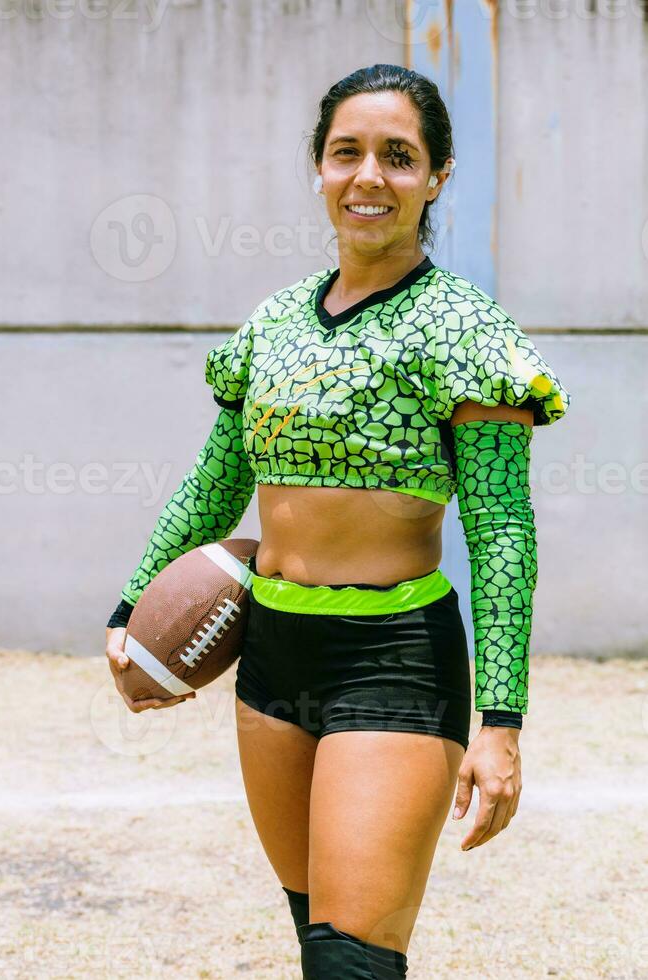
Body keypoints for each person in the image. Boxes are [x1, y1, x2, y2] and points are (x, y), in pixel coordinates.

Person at [106, 64, 570, 979]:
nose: (369, 177)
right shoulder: (273, 325)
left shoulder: (466, 333)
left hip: (394, 658)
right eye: (345, 152)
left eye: (398, 157)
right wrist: (130, 610)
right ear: (318, 169)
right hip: (272, 653)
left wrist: (502, 721)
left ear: (436, 177)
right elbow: (212, 487)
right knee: (316, 933)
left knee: (352, 962)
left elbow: (503, 534)